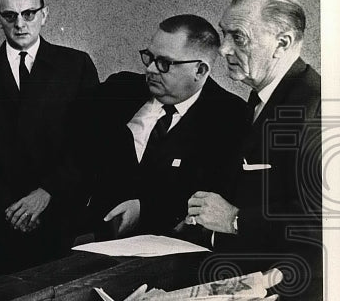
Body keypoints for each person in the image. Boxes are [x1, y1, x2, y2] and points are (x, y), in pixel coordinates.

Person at [185, 0, 323, 301]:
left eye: (238, 38)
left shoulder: (314, 105)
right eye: (223, 35)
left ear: (282, 42)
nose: (224, 48)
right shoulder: (260, 98)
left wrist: (234, 218)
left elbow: (324, 222)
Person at [0, 0, 99, 273]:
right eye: (10, 16)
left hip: (60, 218)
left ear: (44, 15)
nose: (20, 23)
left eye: (29, 14)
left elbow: (88, 143)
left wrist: (46, 193)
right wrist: (11, 209)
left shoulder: (75, 66)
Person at [89, 15, 247, 238]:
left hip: (170, 247)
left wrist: (147, 210)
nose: (151, 69)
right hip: (90, 237)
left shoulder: (230, 117)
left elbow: (216, 192)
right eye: (149, 57)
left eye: (164, 63)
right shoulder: (118, 91)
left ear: (200, 70)